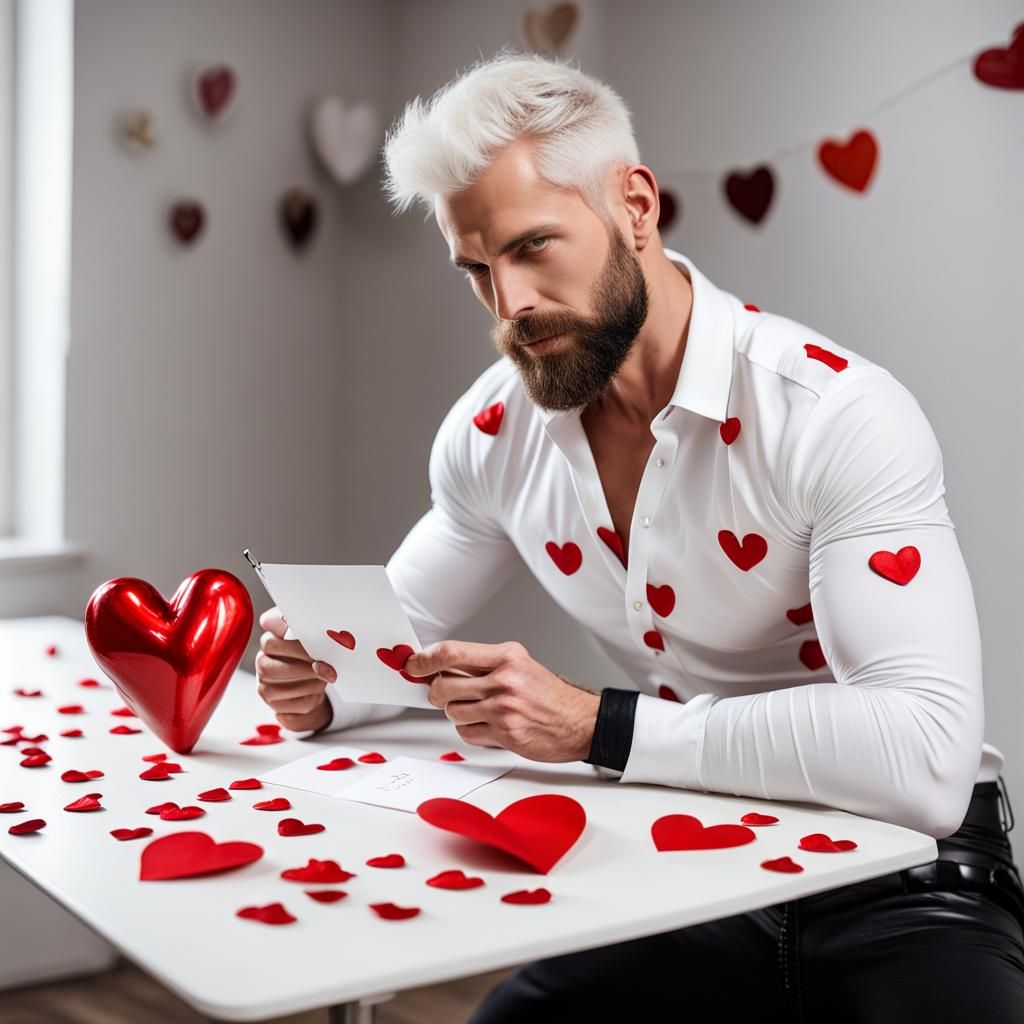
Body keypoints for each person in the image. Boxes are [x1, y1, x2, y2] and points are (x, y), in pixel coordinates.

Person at [254, 48, 1024, 1020]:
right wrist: (315, 683)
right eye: (476, 268)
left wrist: (596, 724)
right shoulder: (492, 435)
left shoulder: (837, 413)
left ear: (636, 206)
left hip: (912, 878)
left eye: (534, 246)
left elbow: (921, 756)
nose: (509, 307)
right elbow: (386, 644)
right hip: (699, 862)